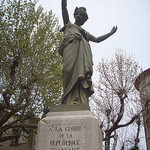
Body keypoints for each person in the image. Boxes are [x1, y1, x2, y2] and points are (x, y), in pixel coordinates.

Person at [59, 0, 117, 104]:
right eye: (77, 14)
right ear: (75, 14)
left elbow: (97, 39)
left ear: (83, 20)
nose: (78, 16)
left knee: (80, 75)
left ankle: (79, 100)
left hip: (81, 57)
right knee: (67, 71)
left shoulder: (84, 32)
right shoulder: (68, 24)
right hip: (70, 53)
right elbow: (64, 7)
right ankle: (67, 100)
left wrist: (110, 33)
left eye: (81, 15)